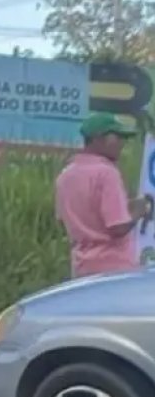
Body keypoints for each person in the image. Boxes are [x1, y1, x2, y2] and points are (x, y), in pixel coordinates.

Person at [55, 112, 151, 279]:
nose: (122, 143)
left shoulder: (65, 175)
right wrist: (139, 211)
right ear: (98, 139)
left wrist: (125, 207)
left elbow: (66, 220)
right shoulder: (106, 173)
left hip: (81, 267)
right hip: (114, 269)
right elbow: (117, 228)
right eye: (117, 137)